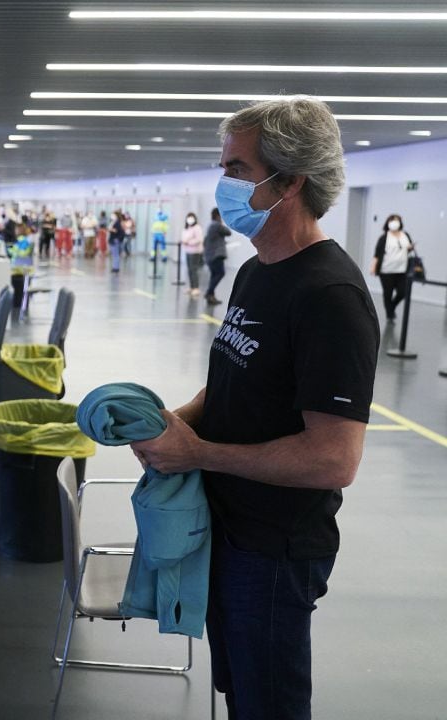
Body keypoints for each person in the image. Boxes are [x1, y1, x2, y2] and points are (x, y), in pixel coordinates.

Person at [129, 97, 379, 720]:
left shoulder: (331, 297)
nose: (225, 183)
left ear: (291, 181)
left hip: (273, 550)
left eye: (238, 169)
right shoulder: (256, 271)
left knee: (269, 702)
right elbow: (231, 383)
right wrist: (175, 422)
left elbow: (332, 459)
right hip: (227, 527)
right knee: (241, 692)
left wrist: (199, 452)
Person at [370, 213, 414, 321]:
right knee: (388, 294)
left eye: (397, 220)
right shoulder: (384, 237)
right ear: (388, 223)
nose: (394, 223)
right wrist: (373, 267)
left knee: (402, 292)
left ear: (400, 223)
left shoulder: (405, 235)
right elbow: (377, 254)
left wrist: (410, 248)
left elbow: (409, 250)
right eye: (392, 221)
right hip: (386, 271)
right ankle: (390, 314)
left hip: (402, 270)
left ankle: (392, 307)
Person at [203, 207, 231, 305]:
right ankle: (209, 292)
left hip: (210, 256)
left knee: (214, 275)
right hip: (216, 256)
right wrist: (221, 223)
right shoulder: (217, 225)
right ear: (217, 216)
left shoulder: (210, 226)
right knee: (220, 273)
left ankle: (211, 296)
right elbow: (228, 232)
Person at [182, 212, 205, 297]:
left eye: (191, 218)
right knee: (189, 269)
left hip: (195, 251)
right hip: (188, 251)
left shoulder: (197, 228)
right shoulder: (187, 228)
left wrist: (188, 242)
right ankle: (191, 287)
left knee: (194, 269)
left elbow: (199, 239)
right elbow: (184, 237)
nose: (190, 220)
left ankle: (196, 288)